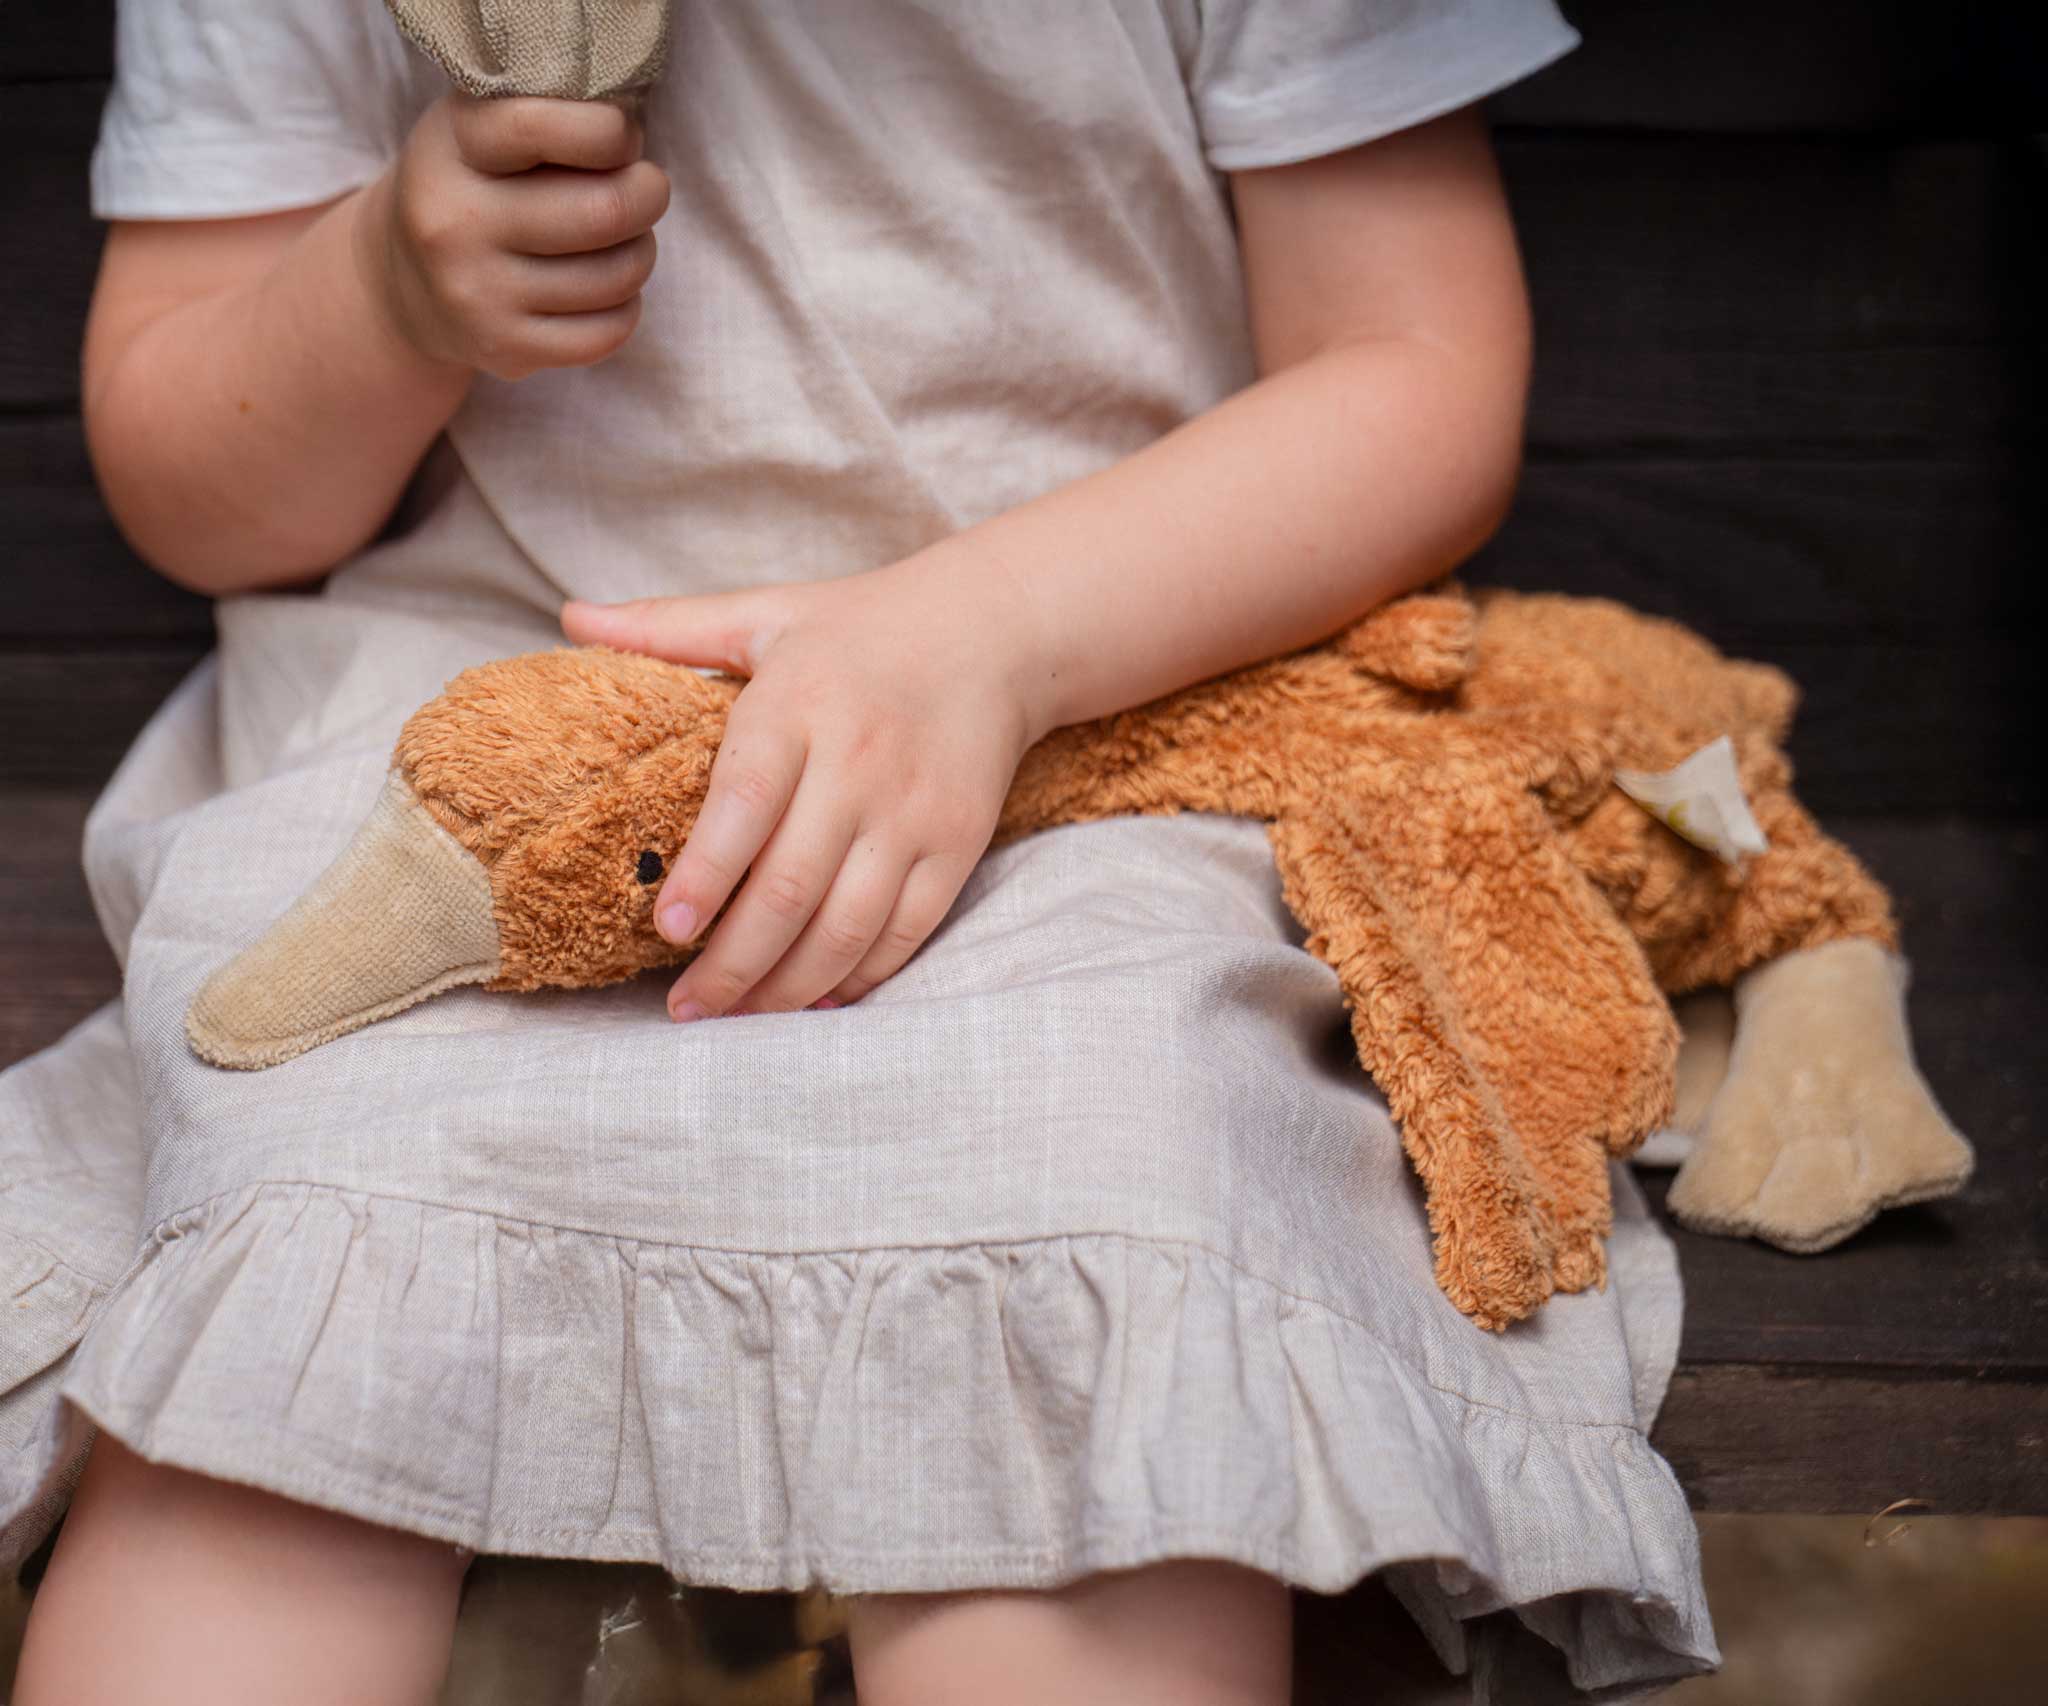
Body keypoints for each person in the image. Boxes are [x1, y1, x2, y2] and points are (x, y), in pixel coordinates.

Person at [1, 3, 1717, 1701]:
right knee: (289, 1335)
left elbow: (1414, 368)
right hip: (489, 739)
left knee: (1094, 1236)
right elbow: (203, 493)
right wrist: (376, 293)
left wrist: (998, 639)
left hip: (1092, 725)